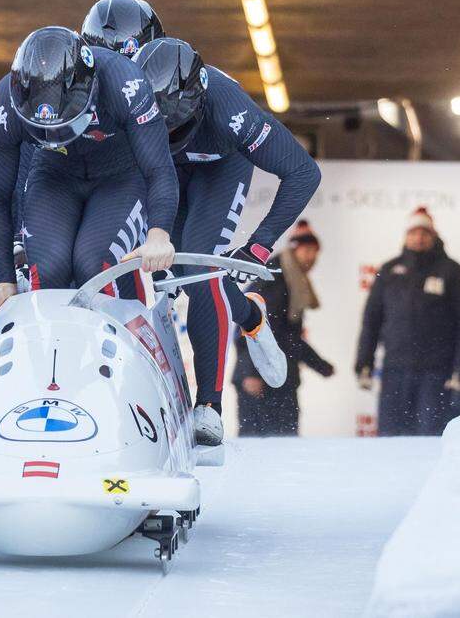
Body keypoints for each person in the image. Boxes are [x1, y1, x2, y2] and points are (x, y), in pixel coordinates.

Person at [133, 34, 320, 445]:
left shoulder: (232, 113)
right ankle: (249, 312)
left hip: (220, 169)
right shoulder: (124, 95)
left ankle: (209, 405)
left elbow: (303, 172)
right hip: (161, 169)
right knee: (162, 270)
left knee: (200, 272)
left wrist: (259, 242)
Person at [0, 26, 177, 318]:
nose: (54, 133)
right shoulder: (2, 106)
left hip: (119, 178)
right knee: (48, 269)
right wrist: (4, 280)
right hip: (54, 177)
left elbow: (159, 168)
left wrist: (159, 235)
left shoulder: (126, 84)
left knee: (94, 264)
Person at [355, 207, 460, 435]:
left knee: (429, 438)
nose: (419, 238)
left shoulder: (451, 270)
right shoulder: (390, 269)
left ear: (434, 236)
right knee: (390, 439)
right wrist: (364, 362)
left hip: (436, 373)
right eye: (413, 232)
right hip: (395, 370)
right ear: (406, 235)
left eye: (424, 233)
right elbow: (372, 319)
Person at [231, 221, 333, 436]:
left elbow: (286, 336)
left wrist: (318, 364)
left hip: (277, 375)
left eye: (315, 252)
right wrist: (251, 372)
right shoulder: (275, 279)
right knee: (263, 447)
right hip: (262, 378)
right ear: (294, 250)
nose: (311, 257)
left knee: (281, 446)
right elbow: (251, 327)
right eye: (307, 251)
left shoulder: (291, 279)